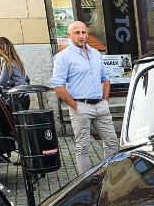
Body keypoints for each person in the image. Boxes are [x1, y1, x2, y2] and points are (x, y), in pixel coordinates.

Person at [51, 21, 119, 174]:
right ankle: (86, 181)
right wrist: (75, 106)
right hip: (81, 106)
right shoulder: (63, 57)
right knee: (83, 147)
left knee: (112, 143)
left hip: (100, 106)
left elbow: (105, 78)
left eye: (83, 32)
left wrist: (105, 101)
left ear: (88, 34)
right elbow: (57, 85)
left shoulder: (95, 53)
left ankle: (109, 176)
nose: (81, 36)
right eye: (77, 33)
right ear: (70, 35)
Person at [0, 36, 30, 109]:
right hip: (23, 96)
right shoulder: (14, 60)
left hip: (15, 99)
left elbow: (1, 82)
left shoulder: (7, 63)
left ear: (1, 48)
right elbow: (10, 73)